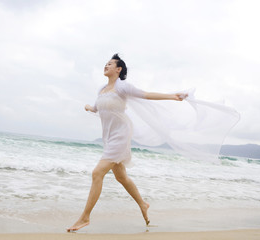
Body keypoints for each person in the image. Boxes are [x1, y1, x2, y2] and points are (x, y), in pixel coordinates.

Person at [67, 54, 187, 232]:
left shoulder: (122, 87)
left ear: (118, 69)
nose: (105, 66)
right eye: (105, 64)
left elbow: (146, 95)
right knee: (121, 177)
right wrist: (88, 108)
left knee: (97, 173)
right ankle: (142, 204)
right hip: (108, 138)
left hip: (121, 135)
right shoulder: (102, 89)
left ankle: (85, 217)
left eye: (110, 64)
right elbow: (97, 108)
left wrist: (171, 96)